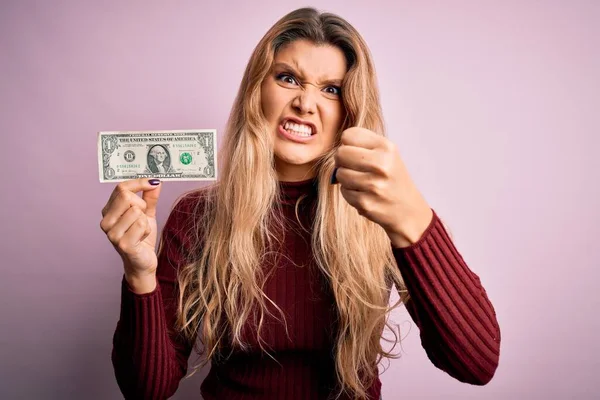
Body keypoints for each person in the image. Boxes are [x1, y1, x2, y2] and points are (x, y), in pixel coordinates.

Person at [100, 7, 500, 400]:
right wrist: (140, 276)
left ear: (350, 111)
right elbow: (147, 390)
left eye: (331, 89)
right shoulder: (197, 215)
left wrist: (413, 221)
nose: (306, 103)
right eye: (289, 78)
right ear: (258, 90)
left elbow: (476, 364)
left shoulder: (381, 212)